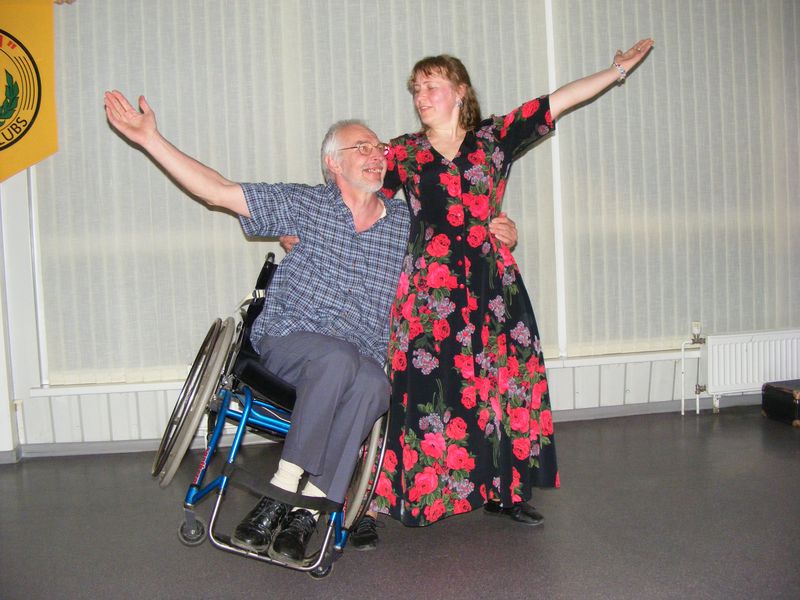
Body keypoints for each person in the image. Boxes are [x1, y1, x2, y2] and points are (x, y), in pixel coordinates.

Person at [104, 90, 410, 564]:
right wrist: (150, 139)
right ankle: (282, 492)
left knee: (374, 384)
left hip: (360, 357)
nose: (377, 156)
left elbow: (457, 236)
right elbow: (218, 190)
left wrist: (496, 228)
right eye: (362, 148)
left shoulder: (404, 224)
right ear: (333, 163)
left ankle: (306, 512)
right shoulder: (305, 205)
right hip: (292, 342)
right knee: (338, 358)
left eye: (380, 148)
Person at [370, 39, 656, 529]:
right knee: (425, 389)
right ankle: (400, 497)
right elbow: (361, 193)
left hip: (492, 285)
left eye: (431, 86)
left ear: (460, 91)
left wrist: (615, 71)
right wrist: (310, 225)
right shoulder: (404, 152)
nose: (420, 96)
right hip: (430, 291)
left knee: (503, 383)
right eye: (415, 89)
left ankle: (505, 491)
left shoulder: (493, 138)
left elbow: (556, 102)